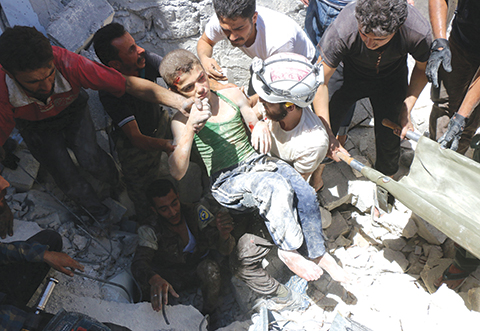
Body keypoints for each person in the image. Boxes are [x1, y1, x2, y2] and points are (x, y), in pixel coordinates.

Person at [160, 49, 349, 308]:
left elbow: (254, 117)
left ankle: (317, 253)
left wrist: (259, 123)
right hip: (227, 180)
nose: (200, 89)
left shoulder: (229, 95)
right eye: (189, 87)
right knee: (271, 186)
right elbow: (177, 171)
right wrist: (191, 127)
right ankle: (288, 250)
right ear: (176, 91)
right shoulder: (181, 120)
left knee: (303, 190)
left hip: (257, 163)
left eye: (201, 79)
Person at [0, 26, 198, 232]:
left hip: (72, 112)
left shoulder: (68, 64)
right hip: (35, 126)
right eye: (34, 82)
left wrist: (181, 102)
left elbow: (128, 84)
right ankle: (99, 214)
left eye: (49, 74)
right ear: (11, 75)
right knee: (64, 173)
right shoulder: (2, 92)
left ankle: (117, 185)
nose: (47, 85)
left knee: (90, 156)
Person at [312, 0, 432, 178]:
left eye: (378, 40)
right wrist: (328, 134)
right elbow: (319, 81)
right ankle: (317, 175)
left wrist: (407, 107)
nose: (369, 43)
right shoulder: (345, 27)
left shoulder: (417, 31)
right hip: (347, 74)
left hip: (390, 79)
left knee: (390, 138)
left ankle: (385, 185)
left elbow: (422, 69)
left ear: (398, 28)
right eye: (363, 34)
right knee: (323, 130)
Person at [93, 23, 174, 223]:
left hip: (160, 124)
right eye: (131, 50)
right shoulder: (109, 91)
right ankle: (152, 229)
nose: (140, 50)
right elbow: (137, 138)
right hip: (135, 150)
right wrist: (167, 146)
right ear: (115, 65)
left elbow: (176, 76)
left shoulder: (145, 61)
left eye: (134, 44)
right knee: (143, 193)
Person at [426, 0, 480, 290]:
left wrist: (463, 116)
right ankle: (439, 179)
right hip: (463, 40)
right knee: (445, 107)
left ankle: (467, 257)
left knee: (466, 126)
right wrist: (440, 41)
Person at [131, 179, 234, 318]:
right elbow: (139, 264)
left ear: (179, 197)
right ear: (154, 210)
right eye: (164, 209)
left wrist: (224, 235)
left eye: (174, 204)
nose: (173, 212)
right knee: (147, 289)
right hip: (169, 276)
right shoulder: (150, 229)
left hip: (195, 269)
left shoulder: (195, 212)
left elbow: (223, 249)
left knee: (211, 269)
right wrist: (153, 278)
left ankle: (208, 315)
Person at [197, 0, 315, 97]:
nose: (232, 37)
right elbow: (205, 42)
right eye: (226, 30)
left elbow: (280, 89)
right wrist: (205, 58)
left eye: (239, 28)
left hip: (298, 72)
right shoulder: (223, 20)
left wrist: (239, 99)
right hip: (264, 64)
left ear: (254, 18)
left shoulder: (279, 40)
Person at [251, 52, 329, 191]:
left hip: (289, 170)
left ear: (290, 106)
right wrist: (259, 123)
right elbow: (251, 110)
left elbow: (293, 185)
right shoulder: (275, 106)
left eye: (267, 102)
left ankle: (317, 180)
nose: (261, 101)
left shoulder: (311, 145)